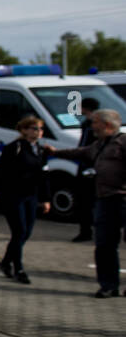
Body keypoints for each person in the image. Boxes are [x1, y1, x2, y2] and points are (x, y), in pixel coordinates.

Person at [48, 109, 126, 297]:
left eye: (95, 123)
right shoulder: (99, 144)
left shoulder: (123, 142)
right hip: (105, 199)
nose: (92, 127)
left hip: (123, 198)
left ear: (107, 125)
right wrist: (56, 152)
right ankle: (108, 285)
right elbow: (81, 152)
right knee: (104, 244)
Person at [0, 115, 51, 285]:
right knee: (19, 231)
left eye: (41, 129)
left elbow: (43, 176)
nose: (38, 132)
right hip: (13, 195)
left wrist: (45, 199)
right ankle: (19, 268)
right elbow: (0, 171)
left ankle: (5, 262)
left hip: (31, 195)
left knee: (26, 233)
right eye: (34, 128)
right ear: (24, 130)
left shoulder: (41, 150)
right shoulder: (14, 148)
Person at [72, 97, 100, 242]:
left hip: (88, 167)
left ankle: (86, 231)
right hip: (94, 167)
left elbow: (84, 146)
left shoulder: (90, 125)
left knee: (85, 202)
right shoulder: (97, 123)